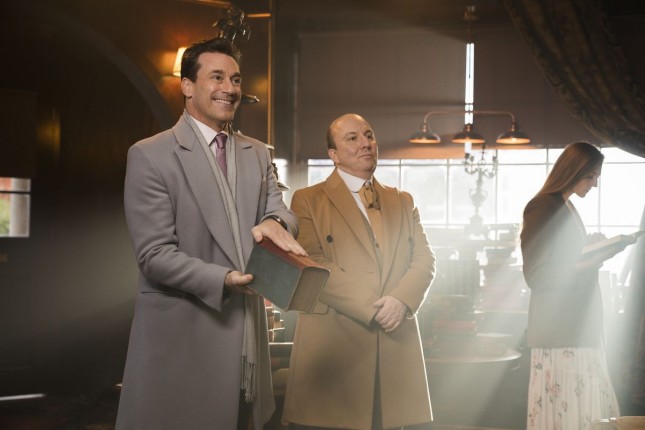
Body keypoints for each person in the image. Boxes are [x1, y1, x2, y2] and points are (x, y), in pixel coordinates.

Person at [115, 37, 306, 430]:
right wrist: (224, 279)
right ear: (187, 85)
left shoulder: (258, 153)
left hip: (247, 333)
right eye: (217, 77)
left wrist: (276, 222)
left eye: (235, 79)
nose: (230, 88)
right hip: (182, 333)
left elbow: (282, 212)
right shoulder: (150, 154)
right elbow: (154, 255)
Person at [282, 113, 436, 430]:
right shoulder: (307, 200)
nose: (365, 143)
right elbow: (313, 263)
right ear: (334, 155)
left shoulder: (403, 200)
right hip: (336, 345)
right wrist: (374, 308)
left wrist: (401, 300)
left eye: (369, 135)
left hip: (393, 343)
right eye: (352, 138)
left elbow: (425, 259)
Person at [520, 141, 623, 430]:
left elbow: (563, 258)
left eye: (596, 176)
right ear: (572, 171)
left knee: (585, 414)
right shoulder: (542, 207)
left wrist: (591, 249)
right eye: (590, 176)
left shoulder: (565, 206)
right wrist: (591, 260)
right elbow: (537, 275)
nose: (595, 184)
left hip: (576, 328)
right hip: (561, 333)